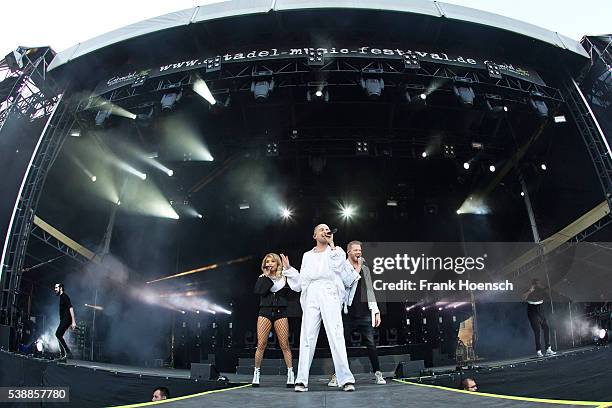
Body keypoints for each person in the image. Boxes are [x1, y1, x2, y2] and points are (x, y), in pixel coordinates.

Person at [291, 224, 359, 392]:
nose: (324, 231)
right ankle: (301, 380)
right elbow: (301, 282)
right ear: (314, 235)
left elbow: (338, 267)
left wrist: (332, 244)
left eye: (327, 229)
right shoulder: (306, 256)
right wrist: (288, 270)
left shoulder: (336, 251)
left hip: (329, 291)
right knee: (306, 336)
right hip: (312, 292)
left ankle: (345, 379)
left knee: (336, 334)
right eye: (321, 229)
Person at [328, 240, 385, 387]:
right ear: (348, 252)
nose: (358, 253)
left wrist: (376, 311)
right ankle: (337, 375)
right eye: (355, 250)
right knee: (342, 346)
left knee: (371, 344)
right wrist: (357, 268)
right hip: (347, 312)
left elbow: (370, 290)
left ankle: (378, 373)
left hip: (364, 312)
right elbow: (346, 283)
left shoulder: (365, 268)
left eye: (360, 250)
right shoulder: (343, 267)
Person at [252, 253, 300, 388]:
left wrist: (288, 267)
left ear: (277, 263)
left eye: (272, 261)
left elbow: (298, 284)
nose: (269, 264)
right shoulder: (263, 277)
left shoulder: (285, 276)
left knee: (284, 344)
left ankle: (290, 373)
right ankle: (256, 373)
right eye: (267, 261)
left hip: (281, 312)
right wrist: (266, 276)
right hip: (265, 312)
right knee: (261, 343)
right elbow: (258, 291)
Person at [523, 278, 556, 357]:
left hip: (540, 309)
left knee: (546, 327)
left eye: (538, 283)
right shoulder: (529, 290)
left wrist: (546, 289)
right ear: (533, 284)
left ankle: (548, 349)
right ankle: (538, 350)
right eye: (535, 284)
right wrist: (530, 290)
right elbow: (523, 297)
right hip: (532, 310)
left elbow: (548, 295)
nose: (537, 285)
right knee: (537, 330)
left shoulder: (542, 290)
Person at [54, 283, 76, 360]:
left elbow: (71, 308)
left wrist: (73, 321)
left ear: (61, 288)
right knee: (59, 335)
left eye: (56, 287)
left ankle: (68, 352)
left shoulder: (64, 296)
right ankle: (63, 356)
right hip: (64, 319)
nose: (55, 289)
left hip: (66, 319)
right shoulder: (61, 297)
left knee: (57, 334)